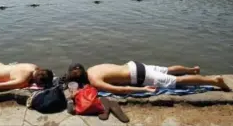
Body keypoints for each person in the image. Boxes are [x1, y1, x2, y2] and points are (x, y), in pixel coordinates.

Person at [87, 61, 231, 94]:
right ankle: (193, 70)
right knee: (168, 70)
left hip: (139, 75)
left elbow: (121, 90)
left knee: (176, 81)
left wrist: (143, 89)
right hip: (134, 65)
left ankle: (214, 81)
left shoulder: (94, 81)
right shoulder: (92, 69)